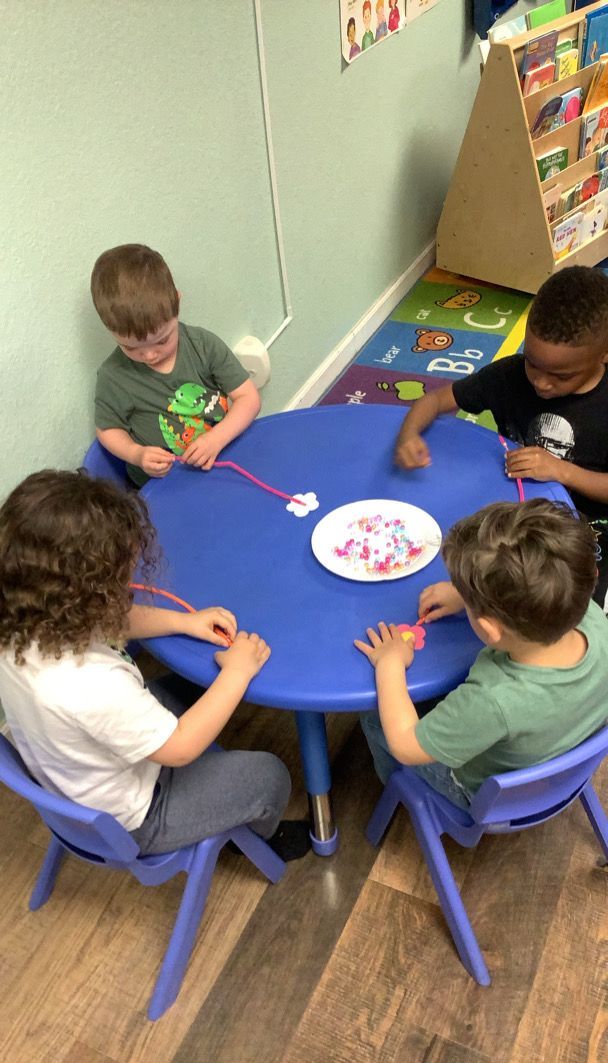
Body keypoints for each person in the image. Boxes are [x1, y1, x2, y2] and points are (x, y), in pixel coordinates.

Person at [0, 470, 309, 859]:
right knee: (269, 775)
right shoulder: (91, 686)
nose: (132, 575)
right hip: (139, 817)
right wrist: (238, 671)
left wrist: (185, 621)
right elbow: (180, 749)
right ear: (89, 591)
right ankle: (264, 839)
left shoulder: (23, 615)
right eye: (122, 572)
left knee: (195, 682)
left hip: (78, 772)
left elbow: (110, 619)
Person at [355, 499, 608, 805]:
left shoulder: (492, 700)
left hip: (482, 791)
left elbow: (406, 745)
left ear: (490, 630)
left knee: (372, 715)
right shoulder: (590, 616)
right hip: (565, 759)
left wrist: (390, 663)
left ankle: (395, 793)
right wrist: (470, 597)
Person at [394, 265, 608, 606]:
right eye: (533, 363)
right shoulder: (509, 377)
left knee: (560, 607)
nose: (541, 382)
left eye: (561, 376)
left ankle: (478, 601)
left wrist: (563, 471)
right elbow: (435, 400)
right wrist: (408, 435)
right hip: (515, 509)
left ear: (603, 356)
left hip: (587, 527)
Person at [92, 244, 261, 487]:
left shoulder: (203, 345)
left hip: (225, 459)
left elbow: (248, 398)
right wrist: (136, 454)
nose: (150, 355)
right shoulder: (113, 376)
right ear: (110, 331)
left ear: (177, 304)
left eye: (162, 340)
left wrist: (216, 439)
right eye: (131, 347)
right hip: (162, 484)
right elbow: (108, 429)